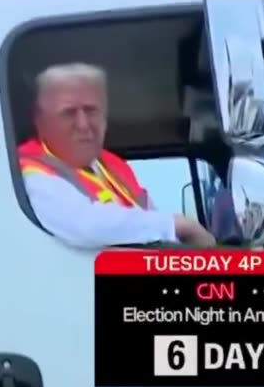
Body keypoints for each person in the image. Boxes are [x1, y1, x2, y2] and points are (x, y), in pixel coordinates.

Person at [18, 63, 216, 249]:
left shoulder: (111, 166)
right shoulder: (32, 172)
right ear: (41, 121)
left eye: (91, 110)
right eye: (69, 113)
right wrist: (178, 225)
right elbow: (85, 224)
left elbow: (155, 227)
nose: (83, 124)